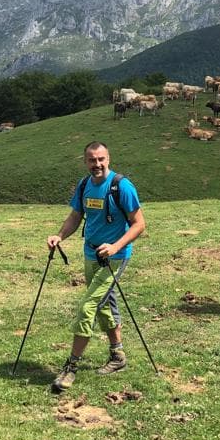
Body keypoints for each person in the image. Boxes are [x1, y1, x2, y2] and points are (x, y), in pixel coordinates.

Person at [46, 142, 146, 393]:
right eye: (92, 160)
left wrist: (115, 246)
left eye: (101, 159)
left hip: (115, 256)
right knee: (104, 306)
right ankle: (118, 356)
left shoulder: (121, 186)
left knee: (87, 306)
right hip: (90, 254)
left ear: (108, 159)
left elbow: (139, 224)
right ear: (85, 162)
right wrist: (59, 236)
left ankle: (71, 366)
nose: (97, 164)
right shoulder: (84, 185)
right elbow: (75, 216)